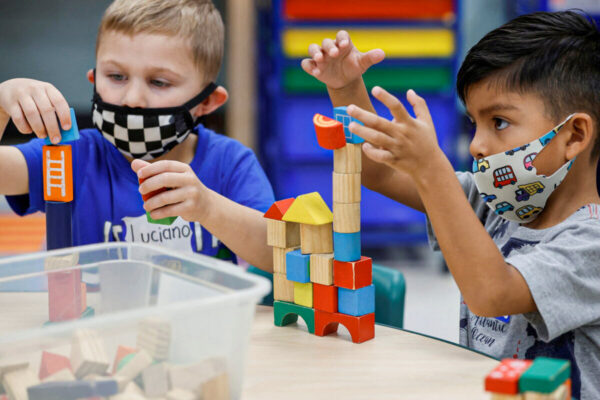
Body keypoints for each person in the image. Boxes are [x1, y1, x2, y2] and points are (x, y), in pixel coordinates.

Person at [302, 11, 600, 399]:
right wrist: (345, 88)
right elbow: (378, 173)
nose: (477, 144)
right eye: (473, 123)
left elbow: (491, 294)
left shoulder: (590, 243)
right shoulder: (494, 200)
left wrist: (431, 168)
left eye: (499, 122)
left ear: (574, 135)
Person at [0, 0, 274, 271]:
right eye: (117, 76)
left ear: (208, 102)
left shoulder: (230, 163)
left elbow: (278, 256)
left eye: (159, 82)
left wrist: (208, 207)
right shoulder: (71, 155)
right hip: (97, 315)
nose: (132, 99)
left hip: (198, 314)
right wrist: (1, 106)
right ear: (95, 80)